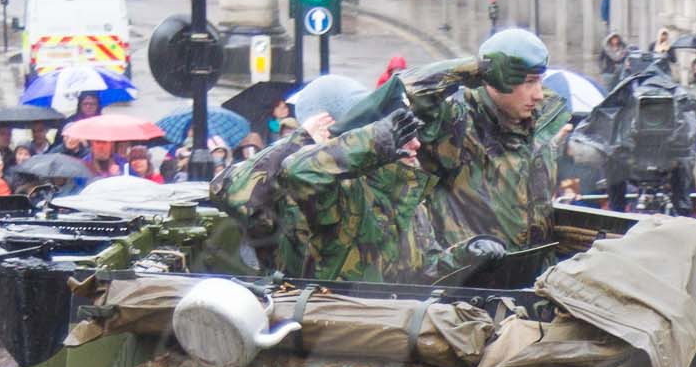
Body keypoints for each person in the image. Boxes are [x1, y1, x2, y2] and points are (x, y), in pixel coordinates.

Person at [222, 27, 565, 284]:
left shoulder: (410, 193)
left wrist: (467, 254)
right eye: (405, 138)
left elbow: (421, 270)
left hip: (407, 317)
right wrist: (307, 139)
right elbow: (292, 174)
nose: (419, 146)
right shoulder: (345, 191)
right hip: (340, 326)